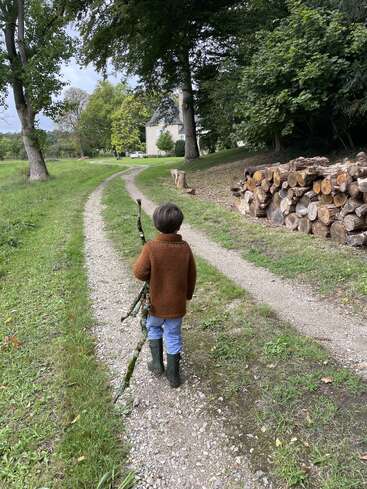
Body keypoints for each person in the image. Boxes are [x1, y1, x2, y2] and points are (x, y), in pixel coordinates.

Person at [133, 203, 196, 388]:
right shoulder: (185, 248)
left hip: (155, 306)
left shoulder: (151, 247)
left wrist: (151, 273)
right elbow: (192, 274)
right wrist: (188, 294)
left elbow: (139, 272)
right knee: (174, 335)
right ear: (179, 226)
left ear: (156, 225)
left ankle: (157, 364)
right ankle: (174, 375)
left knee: (153, 329)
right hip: (176, 306)